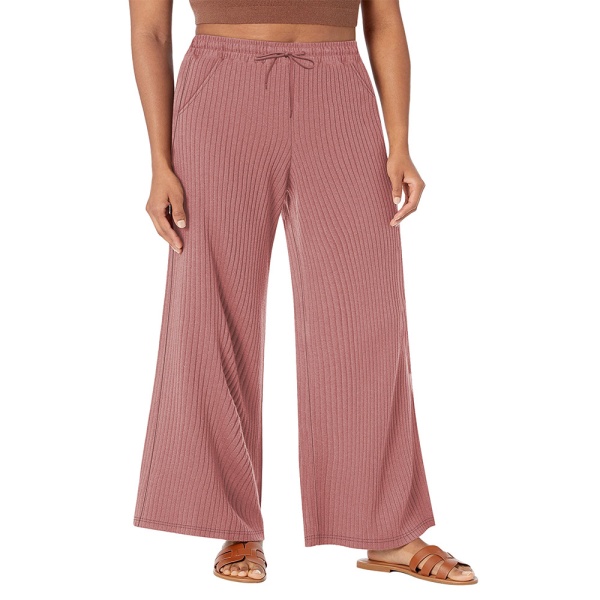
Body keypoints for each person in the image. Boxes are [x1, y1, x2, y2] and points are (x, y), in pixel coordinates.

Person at [129, 0, 477, 586]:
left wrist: (399, 142)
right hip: (220, 91)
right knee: (213, 311)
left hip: (339, 88)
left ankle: (388, 530)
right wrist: (160, 162)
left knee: (365, 314)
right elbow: (151, 31)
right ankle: (234, 524)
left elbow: (384, 20)